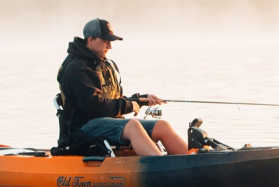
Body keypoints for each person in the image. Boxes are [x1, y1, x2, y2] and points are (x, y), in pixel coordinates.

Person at [56, 18, 188, 156]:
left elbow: (112, 99)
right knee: (132, 126)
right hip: (83, 127)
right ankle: (162, 168)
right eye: (105, 41)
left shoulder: (99, 63)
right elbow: (94, 107)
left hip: (106, 121)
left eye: (110, 42)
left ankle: (191, 161)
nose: (110, 47)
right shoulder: (78, 68)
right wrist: (129, 106)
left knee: (162, 126)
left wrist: (139, 100)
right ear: (91, 40)